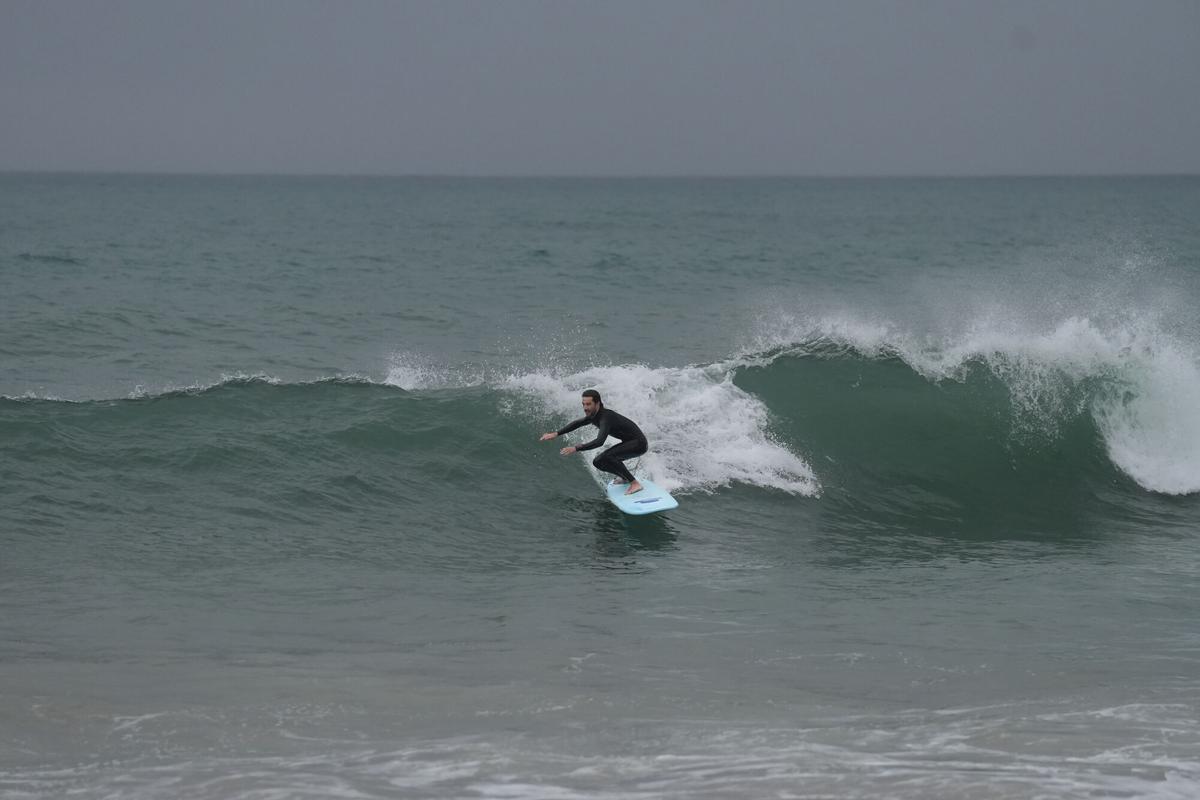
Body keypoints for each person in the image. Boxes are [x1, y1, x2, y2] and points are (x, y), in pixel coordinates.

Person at [540, 389, 648, 495]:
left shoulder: (605, 417)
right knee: (598, 462)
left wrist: (576, 448)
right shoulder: (593, 415)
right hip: (629, 443)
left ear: (598, 404)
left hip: (639, 444)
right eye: (583, 404)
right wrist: (555, 434)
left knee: (609, 457)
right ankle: (625, 478)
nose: (585, 408)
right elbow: (578, 423)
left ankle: (635, 483)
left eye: (588, 404)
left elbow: (599, 441)